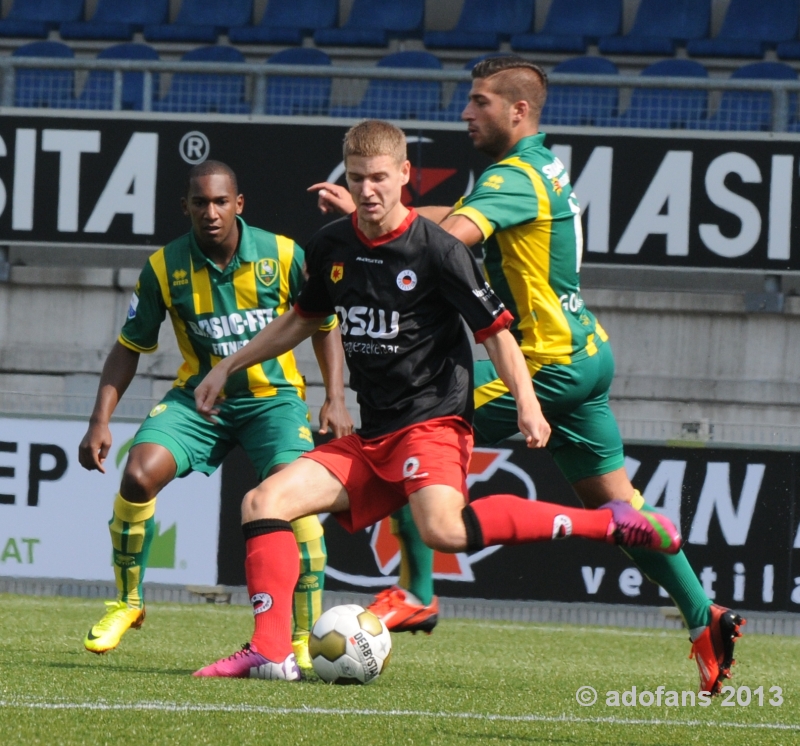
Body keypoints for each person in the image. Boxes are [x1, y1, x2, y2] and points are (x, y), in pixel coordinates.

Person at [311, 57, 745, 695]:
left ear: (518, 112)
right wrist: (379, 210)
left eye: (480, 102)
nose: (466, 113)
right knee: (623, 512)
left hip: (547, 366)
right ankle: (703, 617)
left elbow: (443, 244)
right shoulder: (536, 166)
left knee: (414, 424)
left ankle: (419, 593)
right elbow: (439, 220)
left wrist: (365, 225)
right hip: (585, 354)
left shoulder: (513, 176)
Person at [191, 120, 680, 681]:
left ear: (404, 175)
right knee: (263, 502)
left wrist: (527, 402)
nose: (368, 189)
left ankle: (611, 524)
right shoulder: (331, 245)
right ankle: (271, 652)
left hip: (432, 423)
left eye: (379, 177)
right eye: (357, 178)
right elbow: (302, 320)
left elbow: (496, 333)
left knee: (442, 530)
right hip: (374, 436)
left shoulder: (440, 250)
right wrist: (228, 365)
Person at [78, 160, 352, 670]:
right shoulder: (164, 267)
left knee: (298, 505)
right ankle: (128, 603)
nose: (211, 212)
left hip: (273, 403)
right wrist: (100, 419)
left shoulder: (283, 254)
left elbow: (325, 323)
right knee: (137, 475)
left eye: (221, 202)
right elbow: (129, 345)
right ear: (185, 207)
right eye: (200, 203)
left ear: (238, 204)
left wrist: (335, 396)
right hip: (200, 401)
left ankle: (299, 642)